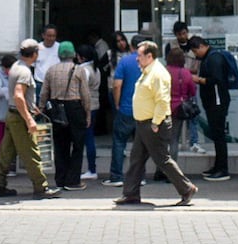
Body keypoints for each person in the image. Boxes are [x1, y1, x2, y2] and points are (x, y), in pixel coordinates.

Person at [113, 41, 198, 206]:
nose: (137, 59)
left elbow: (162, 101)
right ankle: (130, 193)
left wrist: (155, 122)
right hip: (144, 123)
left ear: (149, 56)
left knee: (162, 159)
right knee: (136, 158)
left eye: (139, 55)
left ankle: (187, 188)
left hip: (152, 123)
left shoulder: (158, 73)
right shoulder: (148, 71)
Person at [0, 38, 61, 199]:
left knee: (6, 153)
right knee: (31, 152)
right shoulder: (25, 72)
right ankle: (40, 187)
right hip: (19, 117)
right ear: (34, 54)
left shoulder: (16, 67)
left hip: (12, 114)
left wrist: (30, 105)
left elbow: (19, 97)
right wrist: (29, 119)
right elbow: (19, 95)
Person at [41, 41, 92, 191]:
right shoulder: (78, 70)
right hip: (74, 108)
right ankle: (73, 180)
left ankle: (60, 178)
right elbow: (85, 95)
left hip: (57, 109)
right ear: (73, 54)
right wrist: (88, 113)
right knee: (77, 144)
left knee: (60, 145)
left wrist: (41, 107)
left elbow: (44, 92)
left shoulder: (51, 70)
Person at [188, 35, 232, 181]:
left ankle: (223, 169)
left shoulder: (213, 58)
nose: (195, 55)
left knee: (219, 135)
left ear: (200, 47)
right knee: (216, 134)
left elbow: (217, 80)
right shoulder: (208, 57)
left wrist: (199, 80)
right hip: (213, 101)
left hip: (217, 101)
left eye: (195, 51)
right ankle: (218, 165)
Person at [103, 35, 144, 187]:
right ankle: (140, 176)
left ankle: (116, 176)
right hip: (144, 111)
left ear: (131, 46)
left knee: (119, 142)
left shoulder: (125, 61)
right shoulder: (150, 63)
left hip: (126, 108)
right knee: (141, 145)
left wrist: (117, 103)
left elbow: (117, 85)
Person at [165, 21, 203, 154]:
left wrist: (184, 71)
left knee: (193, 114)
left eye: (184, 33)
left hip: (190, 83)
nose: (183, 36)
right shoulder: (171, 45)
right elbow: (169, 64)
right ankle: (174, 143)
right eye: (180, 34)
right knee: (174, 120)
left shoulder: (193, 43)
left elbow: (196, 65)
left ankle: (194, 142)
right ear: (176, 35)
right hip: (176, 86)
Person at [164, 47, 196, 167]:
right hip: (178, 109)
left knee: (162, 141)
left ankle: (160, 170)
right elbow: (193, 91)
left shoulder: (163, 71)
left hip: (163, 108)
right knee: (174, 140)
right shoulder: (185, 73)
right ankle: (172, 172)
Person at [77, 44, 102, 181]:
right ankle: (91, 168)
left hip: (87, 106)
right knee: (89, 137)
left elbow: (83, 90)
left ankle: (91, 169)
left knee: (86, 138)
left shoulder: (84, 70)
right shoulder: (95, 68)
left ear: (81, 57)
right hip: (95, 104)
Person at [33, 24, 60, 94]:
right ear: (43, 35)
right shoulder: (36, 48)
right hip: (40, 83)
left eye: (53, 36)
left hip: (56, 84)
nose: (51, 38)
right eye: (49, 36)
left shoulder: (60, 48)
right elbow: (31, 65)